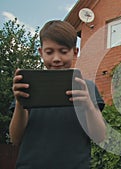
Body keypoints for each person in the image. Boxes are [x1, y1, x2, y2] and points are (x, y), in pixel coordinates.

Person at [9, 20, 106, 169]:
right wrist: (19, 103)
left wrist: (88, 105)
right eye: (49, 52)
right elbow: (15, 138)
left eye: (63, 51)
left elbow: (100, 136)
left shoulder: (86, 87)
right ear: (41, 52)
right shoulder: (27, 86)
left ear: (75, 52)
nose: (56, 58)